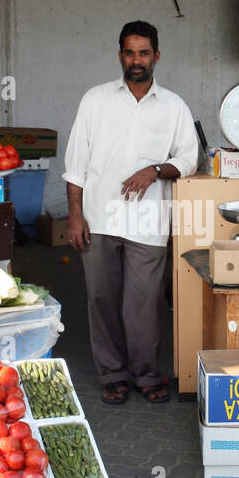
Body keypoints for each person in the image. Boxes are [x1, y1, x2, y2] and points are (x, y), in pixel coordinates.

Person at [63, 21, 200, 405]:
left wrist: (154, 170)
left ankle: (147, 373)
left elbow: (189, 159)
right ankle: (113, 375)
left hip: (148, 221)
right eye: (129, 52)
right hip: (99, 218)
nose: (136, 60)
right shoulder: (96, 99)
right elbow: (75, 164)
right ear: (120, 54)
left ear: (156, 56)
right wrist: (75, 215)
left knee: (144, 303)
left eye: (143, 52)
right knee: (102, 300)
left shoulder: (174, 106)